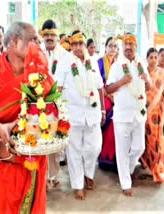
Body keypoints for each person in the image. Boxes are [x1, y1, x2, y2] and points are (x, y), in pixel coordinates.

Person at [0, 21, 50, 213]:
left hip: (33, 170)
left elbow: (52, 113)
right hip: (2, 170)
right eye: (32, 40)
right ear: (14, 41)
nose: (38, 45)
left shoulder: (41, 74)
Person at [56, 31, 105, 200]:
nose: (77, 47)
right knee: (74, 151)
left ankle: (88, 173)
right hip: (73, 115)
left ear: (85, 45)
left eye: (80, 44)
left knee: (94, 147)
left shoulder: (92, 61)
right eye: (74, 44)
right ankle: (78, 185)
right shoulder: (65, 62)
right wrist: (58, 113)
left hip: (93, 112)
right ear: (71, 46)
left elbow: (100, 87)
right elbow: (58, 88)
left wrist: (103, 110)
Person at [106, 33, 152, 197]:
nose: (128, 47)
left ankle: (129, 168)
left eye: (131, 44)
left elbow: (149, 87)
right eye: (125, 44)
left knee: (139, 147)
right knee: (122, 150)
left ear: (135, 47)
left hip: (139, 114)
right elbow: (108, 89)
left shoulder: (141, 64)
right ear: (122, 47)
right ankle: (125, 182)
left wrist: (147, 80)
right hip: (122, 116)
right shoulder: (117, 66)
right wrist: (122, 82)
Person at [40, 19, 70, 188]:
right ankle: (43, 178)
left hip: (59, 104)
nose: (50, 37)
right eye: (47, 34)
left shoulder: (65, 55)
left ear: (58, 36)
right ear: (43, 36)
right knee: (42, 140)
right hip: (40, 105)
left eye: (53, 34)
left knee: (56, 143)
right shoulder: (37, 53)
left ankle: (53, 175)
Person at [140, 48, 164, 184]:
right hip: (141, 110)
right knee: (143, 139)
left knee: (156, 140)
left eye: (155, 57)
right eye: (151, 57)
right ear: (146, 58)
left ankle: (158, 169)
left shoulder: (162, 74)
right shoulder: (141, 72)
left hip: (156, 112)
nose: (153, 60)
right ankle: (147, 163)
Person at [97, 37, 118, 171]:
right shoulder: (99, 63)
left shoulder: (118, 63)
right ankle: (105, 157)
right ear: (105, 47)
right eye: (110, 46)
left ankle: (115, 158)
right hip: (104, 97)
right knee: (111, 120)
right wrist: (110, 96)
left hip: (117, 96)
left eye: (115, 46)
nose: (112, 49)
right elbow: (99, 84)